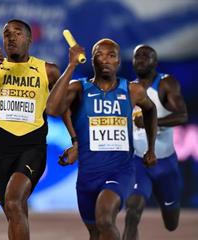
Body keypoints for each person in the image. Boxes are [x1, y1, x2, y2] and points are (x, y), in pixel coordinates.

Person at [46, 38, 157, 240]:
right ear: (92, 60)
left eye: (111, 55)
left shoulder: (132, 90)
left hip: (120, 171)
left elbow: (151, 110)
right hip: (88, 174)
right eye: (100, 54)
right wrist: (71, 65)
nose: (105, 59)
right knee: (95, 232)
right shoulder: (79, 89)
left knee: (105, 219)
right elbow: (52, 109)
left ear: (118, 62)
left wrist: (151, 148)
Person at [0, 19, 60, 240]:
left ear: (29, 39)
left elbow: (63, 107)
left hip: (31, 149)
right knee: (14, 211)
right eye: (7, 34)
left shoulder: (48, 70)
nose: (11, 37)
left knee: (14, 201)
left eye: (17, 33)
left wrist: (75, 141)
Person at [122, 45, 188, 240]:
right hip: (138, 162)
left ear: (155, 62)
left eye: (146, 56)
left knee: (171, 223)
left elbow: (183, 115)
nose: (140, 59)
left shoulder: (166, 84)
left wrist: (151, 121)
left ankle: (170, 208)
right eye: (136, 56)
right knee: (132, 212)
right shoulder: (129, 89)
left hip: (165, 164)